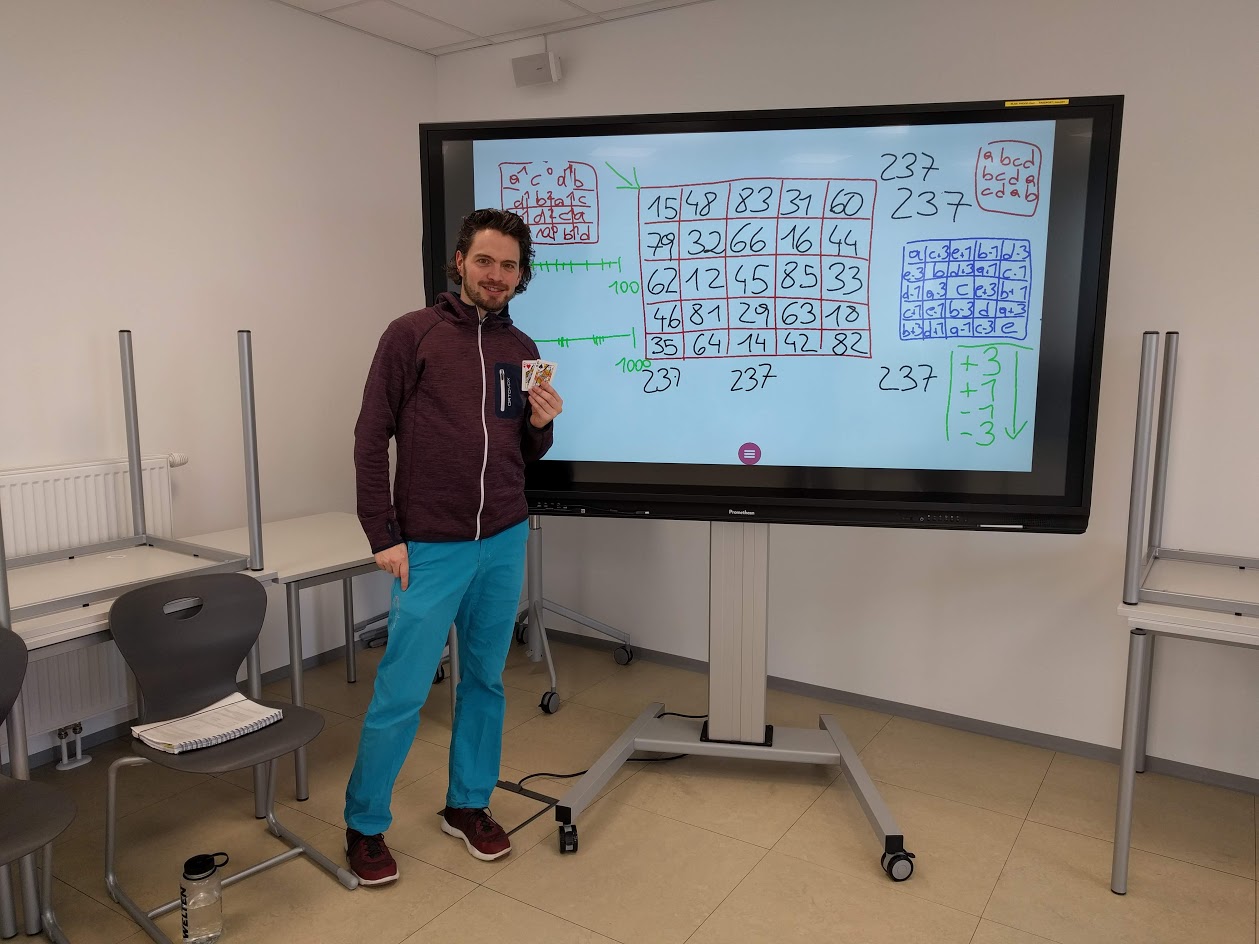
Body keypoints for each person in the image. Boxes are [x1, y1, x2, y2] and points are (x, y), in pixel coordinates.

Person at [344, 208, 562, 885]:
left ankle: (467, 803)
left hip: (503, 536)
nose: (496, 275)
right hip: (430, 546)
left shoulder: (522, 347)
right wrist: (383, 534)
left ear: (521, 275)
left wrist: (542, 424)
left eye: (509, 265)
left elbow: (524, 450)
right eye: (484, 261)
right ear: (460, 262)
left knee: (487, 681)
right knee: (402, 690)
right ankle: (364, 824)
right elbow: (369, 437)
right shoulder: (411, 334)